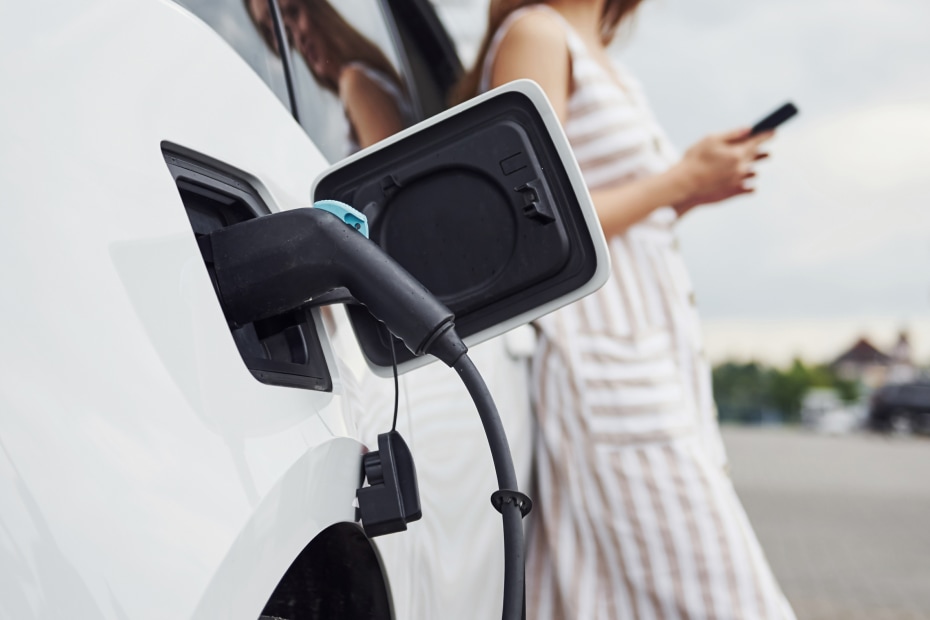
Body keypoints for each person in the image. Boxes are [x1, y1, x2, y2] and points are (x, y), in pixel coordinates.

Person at [454, 1, 797, 618]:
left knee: (595, 597)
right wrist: (680, 181)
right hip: (606, 372)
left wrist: (690, 191)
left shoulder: (606, 59)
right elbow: (522, 225)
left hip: (652, 365)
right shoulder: (537, 33)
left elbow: (613, 223)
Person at [247, 0, 412, 153]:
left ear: (316, 8)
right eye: (271, 32)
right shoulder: (357, 82)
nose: (295, 38)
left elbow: (390, 178)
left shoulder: (355, 82)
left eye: (293, 12)